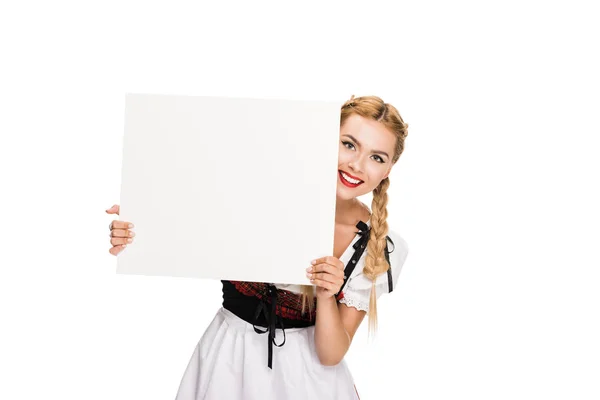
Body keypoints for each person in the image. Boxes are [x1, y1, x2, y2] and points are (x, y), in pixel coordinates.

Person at [106, 95, 410, 400]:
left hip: (308, 382)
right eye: (348, 144)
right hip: (228, 361)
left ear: (388, 170)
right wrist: (140, 224)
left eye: (377, 157)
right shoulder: (259, 194)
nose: (356, 165)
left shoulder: (378, 245)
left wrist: (327, 295)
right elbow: (193, 225)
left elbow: (331, 355)